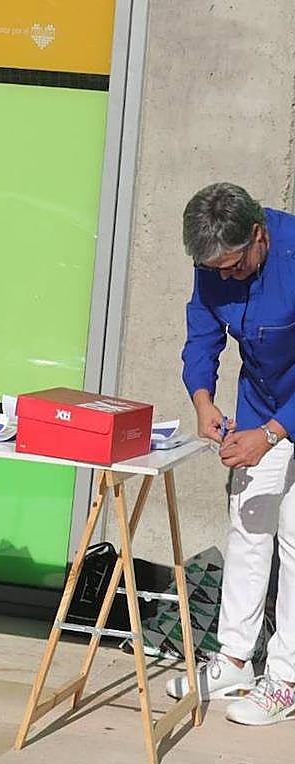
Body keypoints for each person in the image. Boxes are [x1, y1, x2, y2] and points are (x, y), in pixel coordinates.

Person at [167, 182, 295, 725]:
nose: (224, 276)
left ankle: (285, 678)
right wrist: (202, 399)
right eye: (214, 268)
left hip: (282, 413)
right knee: (248, 527)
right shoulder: (216, 262)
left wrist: (272, 433)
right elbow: (202, 335)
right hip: (258, 404)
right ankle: (235, 659)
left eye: (234, 266)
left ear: (258, 235)